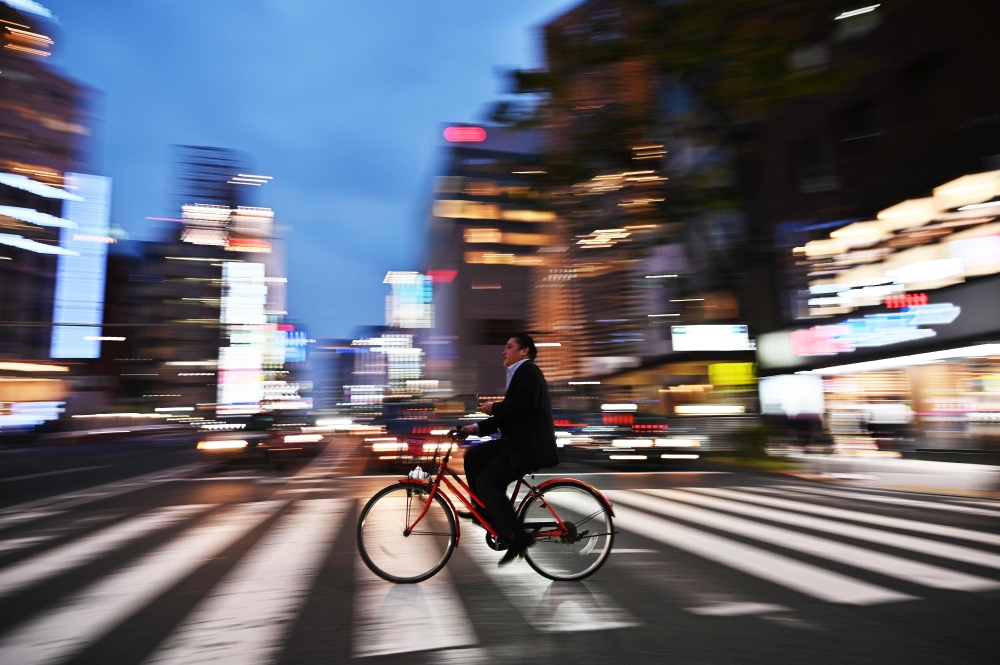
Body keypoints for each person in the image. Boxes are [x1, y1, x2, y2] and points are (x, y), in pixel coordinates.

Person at [459, 333, 559, 566]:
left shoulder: (528, 370)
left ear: (524, 351)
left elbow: (526, 404)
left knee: (488, 483)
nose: (504, 351)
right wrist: (473, 428)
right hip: (517, 443)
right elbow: (510, 415)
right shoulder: (518, 374)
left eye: (509, 347)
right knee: (473, 456)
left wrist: (495, 407)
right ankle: (484, 513)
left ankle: (519, 539)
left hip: (528, 447)